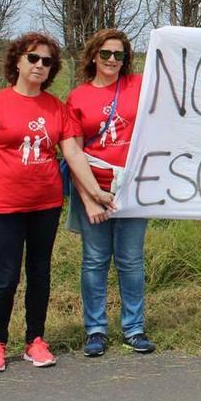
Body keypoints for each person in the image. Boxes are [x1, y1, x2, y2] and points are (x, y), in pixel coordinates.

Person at [0, 32, 114, 373]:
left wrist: (95, 191)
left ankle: (35, 340)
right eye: (33, 58)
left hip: (45, 204)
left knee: (39, 273)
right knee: (5, 276)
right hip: (5, 206)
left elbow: (73, 153)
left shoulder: (56, 107)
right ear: (17, 61)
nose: (39, 66)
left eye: (47, 61)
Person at [66, 28, 156, 356]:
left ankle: (134, 327)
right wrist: (89, 198)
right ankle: (96, 329)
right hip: (93, 187)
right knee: (95, 260)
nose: (112, 60)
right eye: (106, 54)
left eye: (119, 55)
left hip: (133, 187)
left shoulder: (138, 85)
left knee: (131, 260)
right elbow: (72, 152)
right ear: (93, 55)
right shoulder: (78, 97)